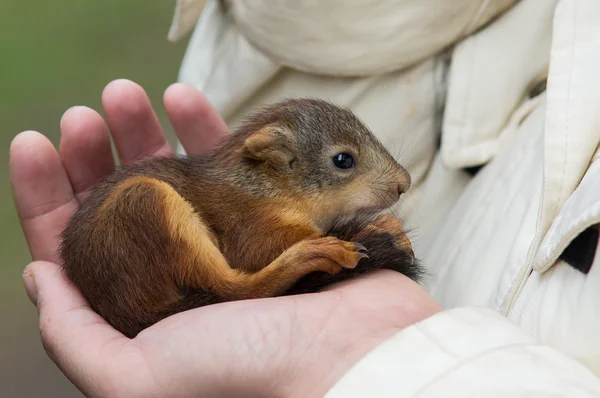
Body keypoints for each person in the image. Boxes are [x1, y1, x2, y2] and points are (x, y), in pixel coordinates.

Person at [10, 0, 600, 396]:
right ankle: (242, 288)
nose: (397, 184)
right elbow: (267, 250)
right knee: (144, 198)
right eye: (346, 164)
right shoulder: (261, 206)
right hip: (158, 278)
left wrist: (344, 355)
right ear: (276, 163)